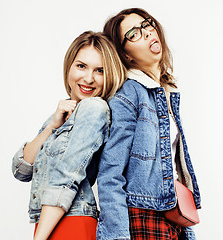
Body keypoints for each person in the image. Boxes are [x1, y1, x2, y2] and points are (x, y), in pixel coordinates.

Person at [97, 8, 201, 240]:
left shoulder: (165, 93)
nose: (146, 32)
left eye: (147, 24)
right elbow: (110, 174)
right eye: (133, 33)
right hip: (143, 216)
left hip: (174, 214)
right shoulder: (128, 94)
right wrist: (117, 235)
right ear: (125, 55)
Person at [12, 31, 126, 240]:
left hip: (71, 221)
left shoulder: (94, 109)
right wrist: (52, 127)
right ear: (69, 66)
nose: (89, 78)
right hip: (51, 221)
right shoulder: (62, 114)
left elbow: (67, 177)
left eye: (100, 70)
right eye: (81, 66)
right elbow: (21, 170)